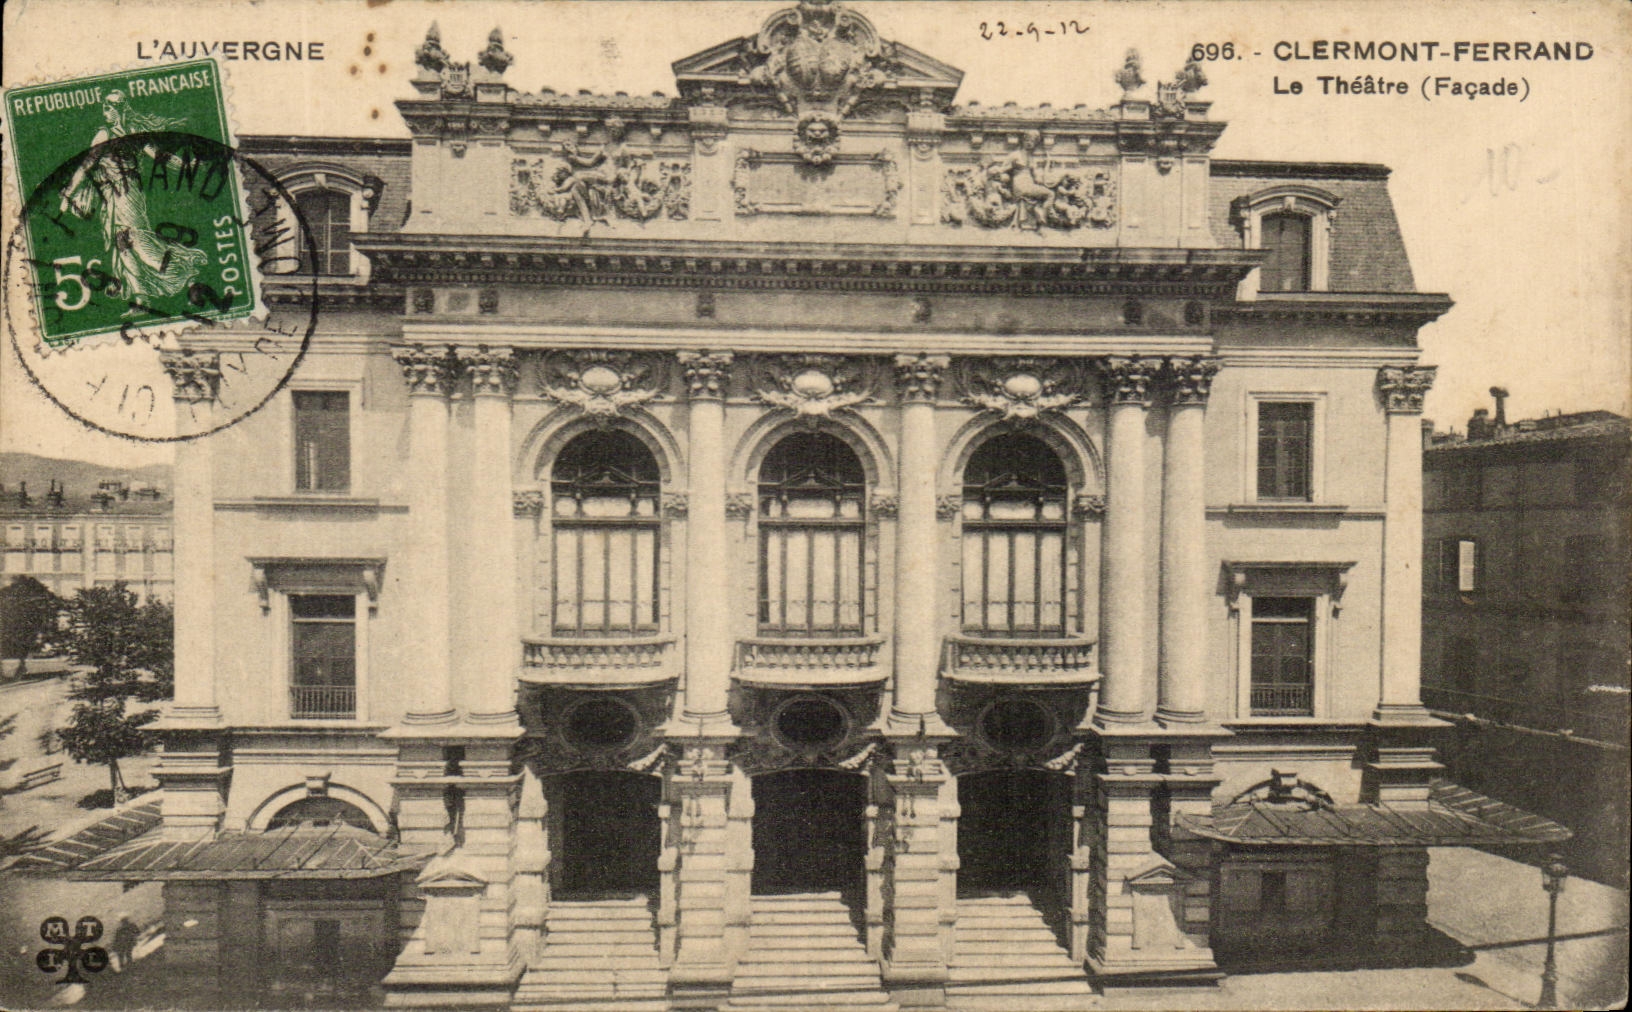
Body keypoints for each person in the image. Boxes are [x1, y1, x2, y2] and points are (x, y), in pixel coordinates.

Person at [58, 91, 208, 314]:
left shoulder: (134, 133)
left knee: (137, 239)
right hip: (111, 195)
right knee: (122, 244)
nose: (106, 113)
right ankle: (140, 299)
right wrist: (69, 192)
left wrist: (187, 165)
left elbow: (160, 157)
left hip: (129, 192)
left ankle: (184, 271)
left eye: (110, 108)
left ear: (120, 109)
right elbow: (86, 166)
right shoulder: (102, 135)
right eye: (104, 108)